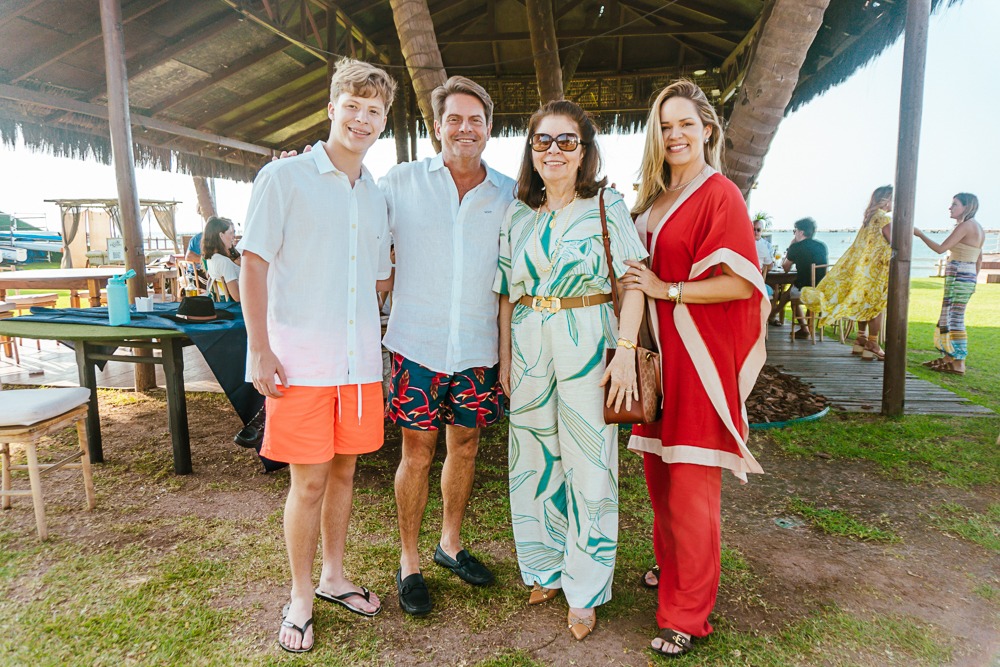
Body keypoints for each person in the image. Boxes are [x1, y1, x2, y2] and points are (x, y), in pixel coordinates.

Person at [237, 57, 395, 653]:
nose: (361, 119)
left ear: (383, 122)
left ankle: (334, 576)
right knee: (306, 485)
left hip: (358, 366)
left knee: (347, 472)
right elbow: (252, 265)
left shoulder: (374, 192)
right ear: (332, 109)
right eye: (351, 107)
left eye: (373, 111)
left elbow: (379, 277)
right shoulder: (284, 178)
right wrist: (259, 348)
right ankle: (300, 595)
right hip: (300, 363)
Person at [620, 80, 767, 657]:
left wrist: (669, 289)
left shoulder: (720, 194)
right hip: (657, 360)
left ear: (708, 128)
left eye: (685, 123)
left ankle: (686, 613)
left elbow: (740, 281)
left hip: (697, 362)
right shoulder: (654, 196)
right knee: (662, 479)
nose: (674, 134)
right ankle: (673, 568)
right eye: (664, 125)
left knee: (691, 489)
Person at [494, 100, 647, 640]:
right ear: (531, 150)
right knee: (533, 460)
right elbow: (507, 297)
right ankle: (544, 565)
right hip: (532, 343)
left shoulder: (608, 206)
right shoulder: (517, 214)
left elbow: (634, 284)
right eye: (543, 140)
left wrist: (625, 349)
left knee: (590, 465)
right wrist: (507, 360)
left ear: (584, 152)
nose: (554, 150)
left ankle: (585, 585)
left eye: (566, 141)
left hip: (590, 342)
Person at [379, 77, 516, 615]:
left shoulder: (508, 192)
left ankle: (450, 544)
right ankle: (409, 560)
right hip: (417, 344)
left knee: (466, 447)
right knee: (416, 453)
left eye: (475, 120)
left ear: (488, 128)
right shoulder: (400, 181)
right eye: (453, 119)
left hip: (479, 347)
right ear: (437, 127)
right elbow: (356, 222)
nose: (464, 128)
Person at [800, 186, 893, 360]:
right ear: (886, 200)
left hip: (864, 270)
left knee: (864, 303)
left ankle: (860, 339)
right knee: (875, 306)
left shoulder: (869, 219)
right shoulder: (883, 219)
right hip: (876, 271)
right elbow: (894, 243)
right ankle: (872, 343)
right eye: (892, 199)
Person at [914, 193, 985, 375]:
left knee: (955, 319)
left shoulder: (965, 226)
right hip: (965, 275)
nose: (950, 208)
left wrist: (920, 234)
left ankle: (959, 362)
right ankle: (948, 357)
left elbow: (940, 249)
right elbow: (979, 258)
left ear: (966, 207)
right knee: (948, 316)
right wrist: (972, 280)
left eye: (955, 204)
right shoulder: (978, 227)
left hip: (959, 275)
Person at [772, 217, 827, 339]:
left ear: (801, 232)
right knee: (791, 289)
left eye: (794, 230)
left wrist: (790, 247)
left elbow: (785, 268)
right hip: (821, 289)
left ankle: (774, 314)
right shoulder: (821, 246)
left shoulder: (796, 247)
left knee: (792, 293)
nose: (794, 233)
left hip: (805, 288)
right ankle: (775, 315)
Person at [201, 216, 241, 301]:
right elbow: (237, 296)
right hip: (235, 307)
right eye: (230, 233)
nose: (233, 236)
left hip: (221, 303)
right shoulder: (224, 261)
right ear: (221, 235)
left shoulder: (211, 258)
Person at [753, 217, 774, 298]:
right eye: (753, 229)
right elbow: (769, 266)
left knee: (773, 284)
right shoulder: (763, 247)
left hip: (742, 282)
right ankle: (772, 310)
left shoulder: (741, 244)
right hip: (757, 284)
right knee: (774, 289)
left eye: (758, 230)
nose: (755, 232)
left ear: (762, 231)